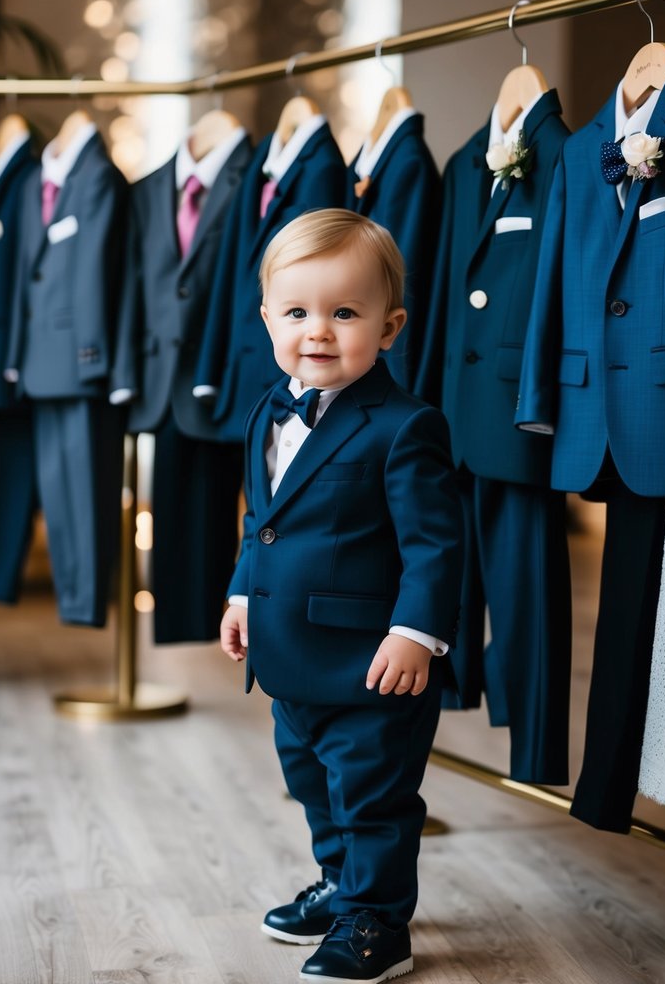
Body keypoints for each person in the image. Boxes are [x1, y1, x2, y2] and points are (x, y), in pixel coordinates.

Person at [220, 208, 463, 984]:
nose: (317, 331)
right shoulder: (267, 409)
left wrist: (414, 633)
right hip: (288, 658)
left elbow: (434, 544)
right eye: (296, 312)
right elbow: (264, 522)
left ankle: (376, 921)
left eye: (344, 313)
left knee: (372, 796)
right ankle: (340, 885)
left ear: (389, 327)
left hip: (369, 664)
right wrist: (239, 597)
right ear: (266, 319)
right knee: (311, 782)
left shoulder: (404, 427)